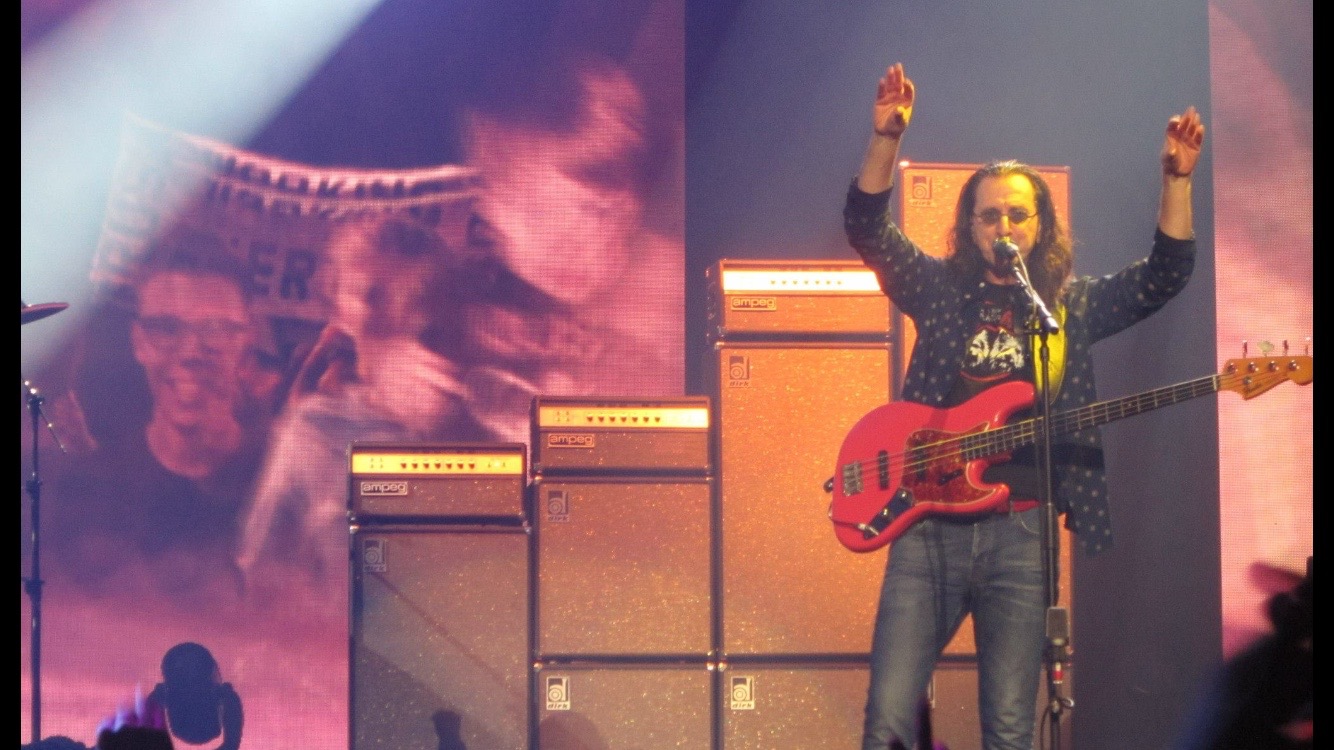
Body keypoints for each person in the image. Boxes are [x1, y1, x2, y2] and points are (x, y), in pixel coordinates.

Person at [844, 63, 1204, 749]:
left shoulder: (1067, 308)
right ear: (969, 225)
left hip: (1022, 534)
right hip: (928, 530)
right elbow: (867, 229)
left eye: (1017, 213)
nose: (1003, 225)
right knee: (889, 717)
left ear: (1040, 225)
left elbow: (1165, 276)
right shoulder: (939, 291)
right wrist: (885, 139)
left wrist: (1177, 182)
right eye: (989, 214)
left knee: (1010, 729)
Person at [49, 237, 268, 599]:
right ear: (139, 342)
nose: (191, 352)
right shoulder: (87, 490)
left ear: (248, 340)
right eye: (166, 328)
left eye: (215, 329)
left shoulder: (288, 481)